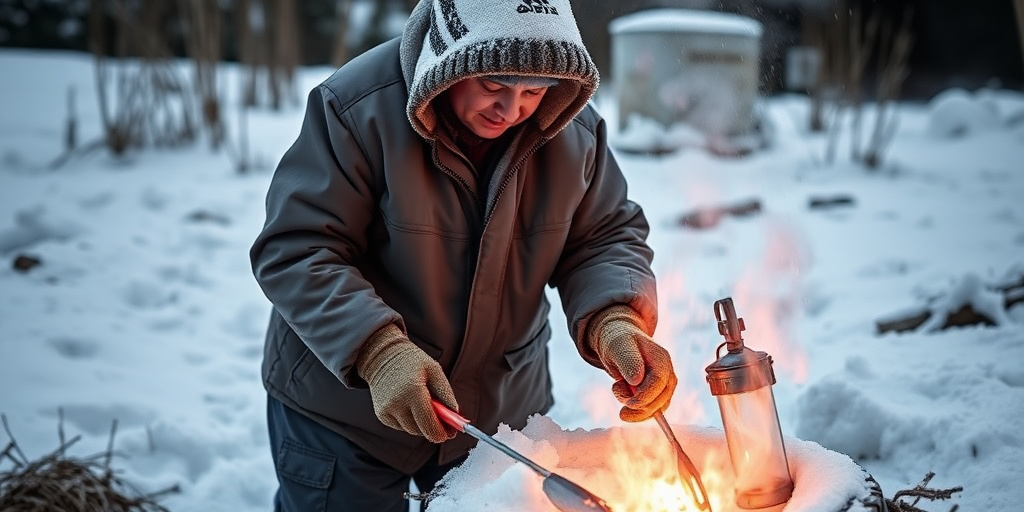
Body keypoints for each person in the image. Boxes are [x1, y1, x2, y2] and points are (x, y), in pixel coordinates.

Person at [249, 0, 678, 510]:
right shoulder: (357, 108)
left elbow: (603, 237)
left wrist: (615, 318)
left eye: (533, 91)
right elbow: (298, 246)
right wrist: (378, 351)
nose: (512, 109)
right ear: (449, 61)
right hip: (346, 411)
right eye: (493, 85)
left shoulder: (573, 132)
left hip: (490, 419)